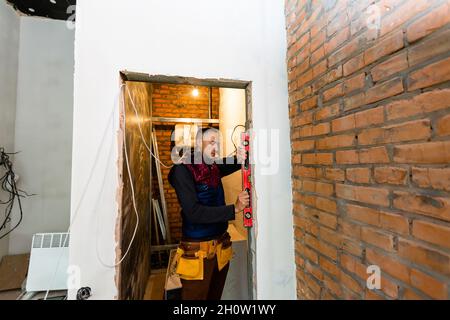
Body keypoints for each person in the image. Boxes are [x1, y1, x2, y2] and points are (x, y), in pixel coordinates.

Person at [168, 127, 249, 300]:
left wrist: (241, 157)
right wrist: (233, 208)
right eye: (212, 142)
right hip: (198, 252)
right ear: (198, 143)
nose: (217, 147)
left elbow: (230, 163)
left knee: (214, 297)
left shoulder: (211, 166)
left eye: (219, 143)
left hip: (220, 247)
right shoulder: (183, 170)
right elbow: (193, 212)